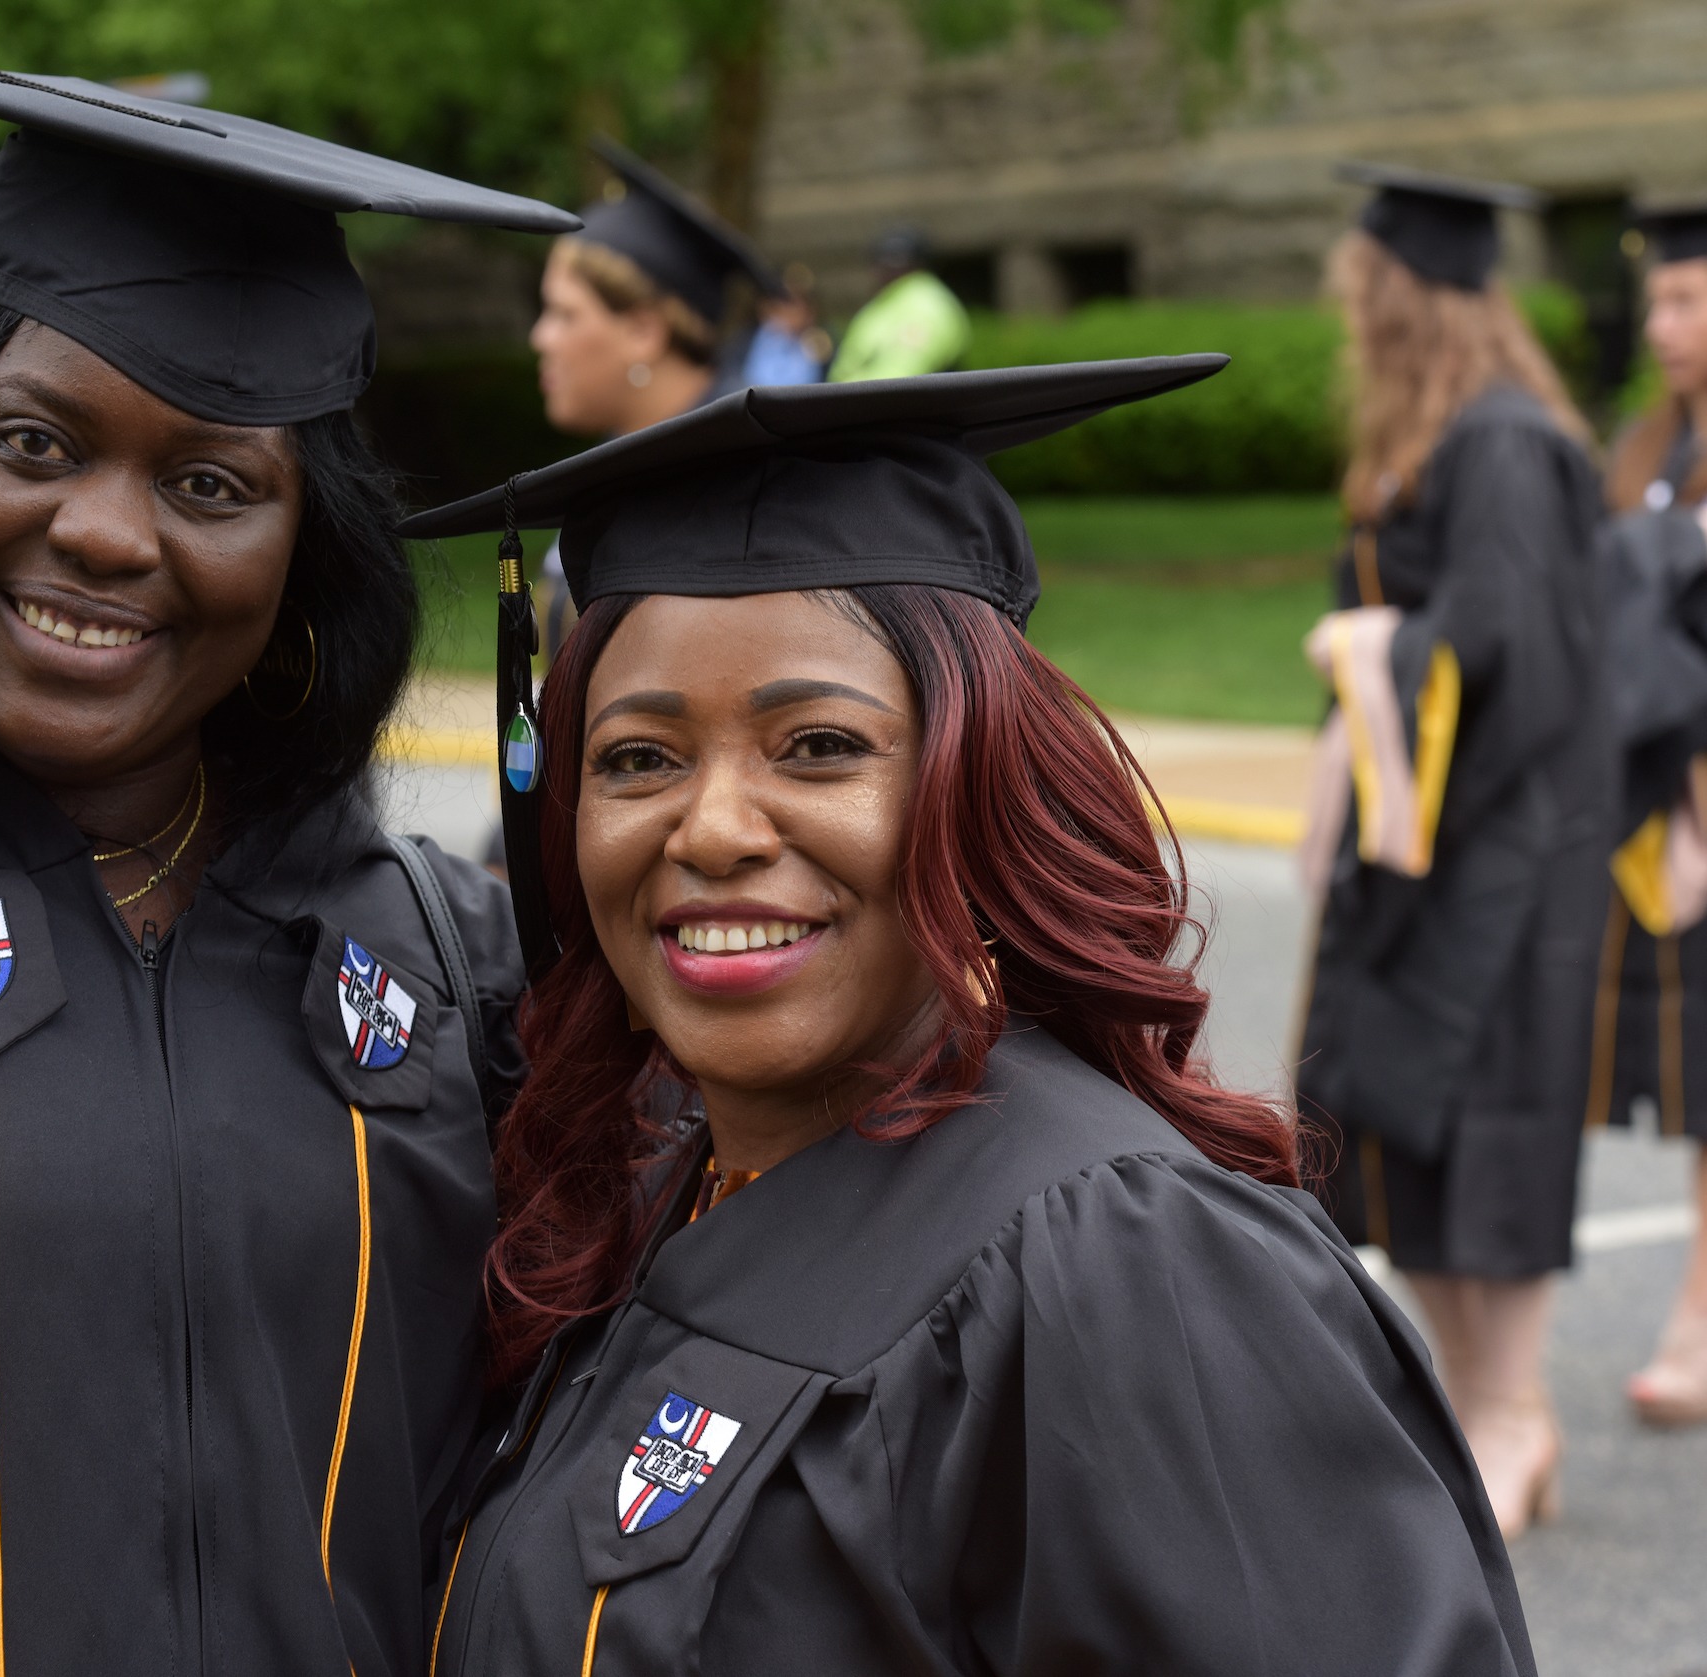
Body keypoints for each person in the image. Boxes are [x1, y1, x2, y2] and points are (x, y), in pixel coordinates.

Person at [400, 363, 1536, 1676]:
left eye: (817, 745)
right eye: (637, 758)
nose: (709, 830)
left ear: (979, 784)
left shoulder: (1122, 1264)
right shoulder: (655, 1174)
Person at [0, 50, 575, 1674]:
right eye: (33, 439)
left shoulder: (438, 962)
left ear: (302, 555)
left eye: (212, 482)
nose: (108, 532)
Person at [1295, 164, 1611, 1537]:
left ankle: (1514, 1411)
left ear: (1399, 295)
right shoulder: (1435, 441)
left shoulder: (1501, 445)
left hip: (1503, 847)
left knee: (1491, 1123)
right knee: (1388, 1120)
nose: (1346, 316)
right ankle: (1476, 1398)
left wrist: (1366, 649)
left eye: (1359, 291)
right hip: (1418, 842)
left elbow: (1511, 652)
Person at [1591, 198, 1707, 1426]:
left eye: (1692, 298)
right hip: (1679, 794)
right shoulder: (1651, 454)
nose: (1665, 323)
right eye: (1658, 302)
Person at [527, 136, 787, 657]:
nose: (540, 338)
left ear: (645, 331)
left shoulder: (742, 493)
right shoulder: (623, 467)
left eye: (564, 314)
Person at [826, 225, 970, 383]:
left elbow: (899, 380)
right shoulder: (885, 302)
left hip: (904, 405)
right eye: (883, 262)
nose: (884, 270)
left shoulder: (927, 304)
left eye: (897, 262)